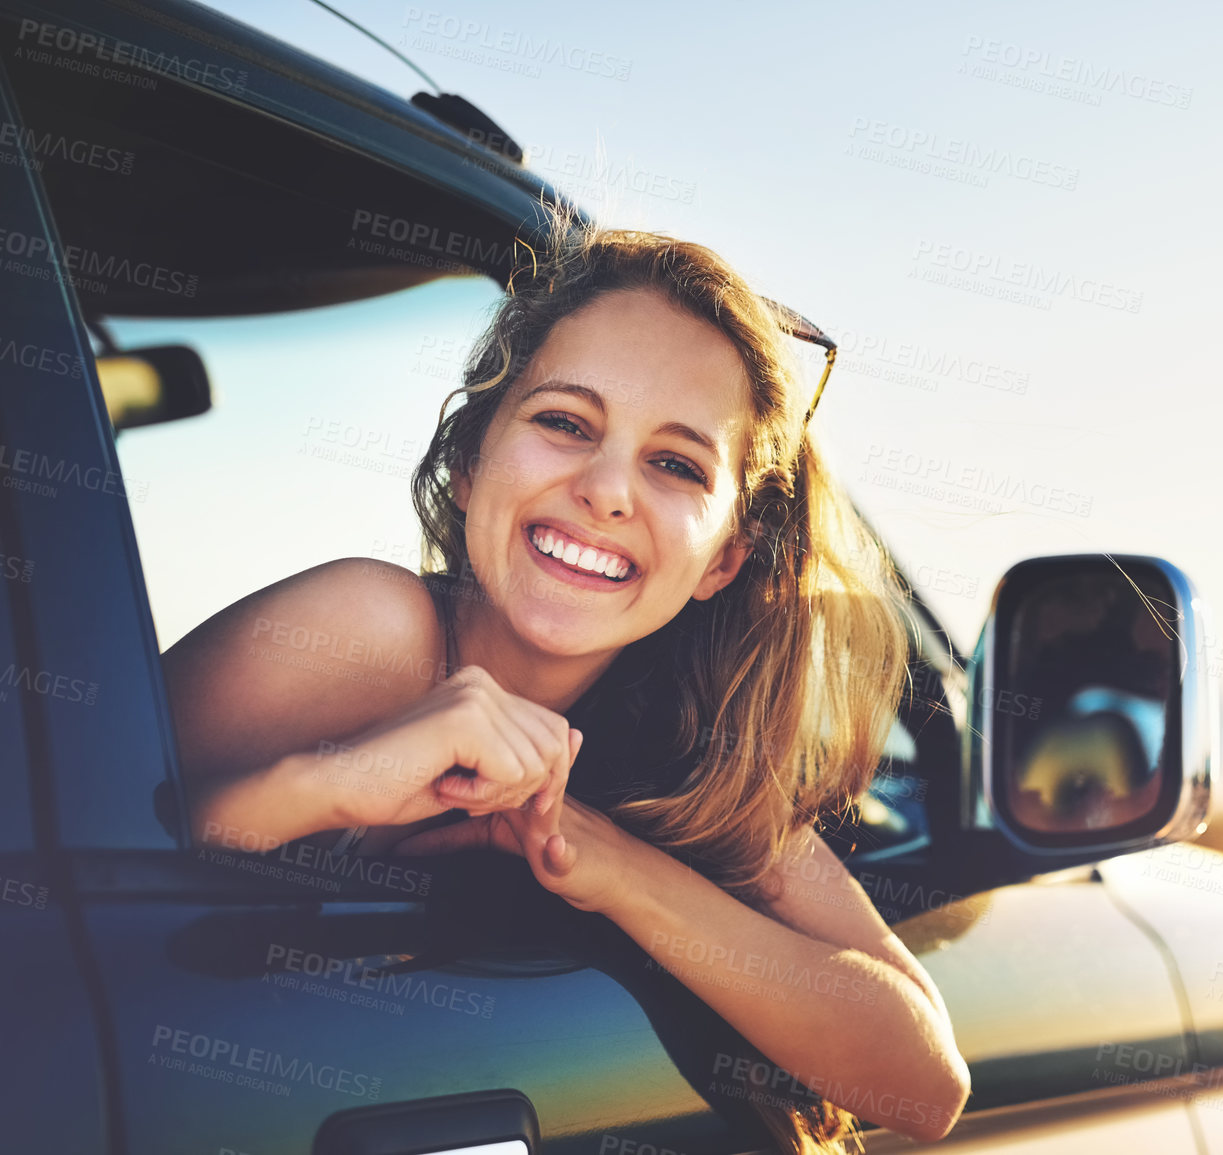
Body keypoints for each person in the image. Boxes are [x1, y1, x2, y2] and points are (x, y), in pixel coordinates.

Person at [160, 207, 970, 1150]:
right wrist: (336, 782)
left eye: (675, 463)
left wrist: (612, 866)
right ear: (467, 464)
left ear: (723, 561)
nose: (608, 489)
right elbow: (51, 848)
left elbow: (922, 1083)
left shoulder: (687, 744)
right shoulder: (371, 630)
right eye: (563, 422)